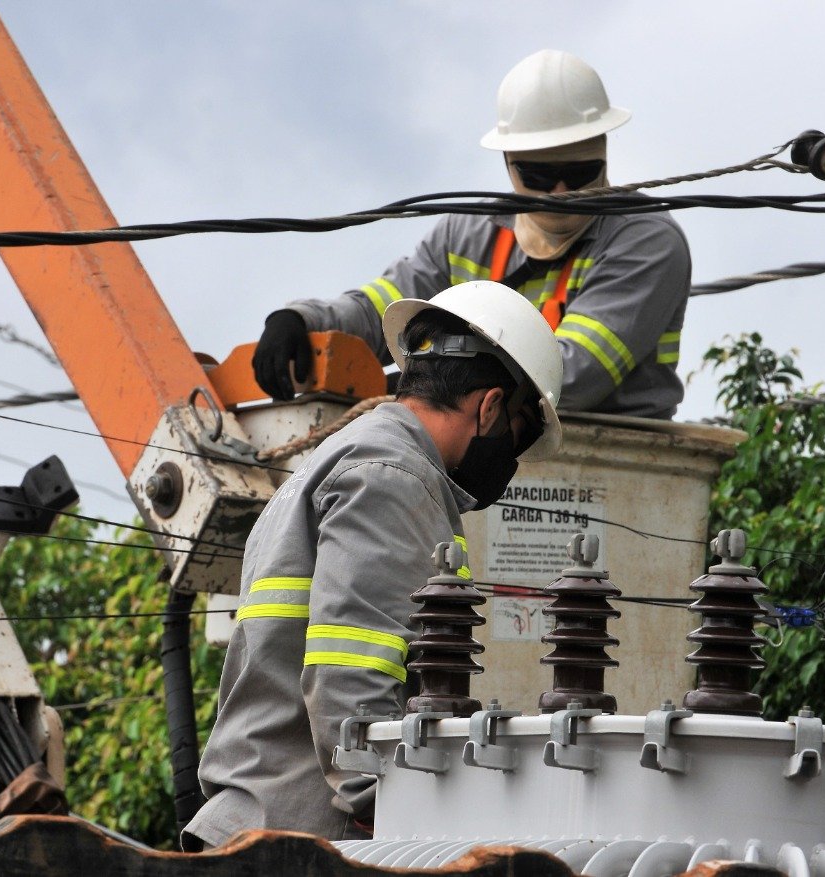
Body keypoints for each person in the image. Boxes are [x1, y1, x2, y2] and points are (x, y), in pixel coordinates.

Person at [185, 281, 563, 848]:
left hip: (257, 822)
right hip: (310, 840)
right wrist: (393, 818)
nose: (510, 461)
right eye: (517, 436)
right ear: (489, 407)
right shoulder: (394, 478)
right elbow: (352, 674)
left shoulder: (338, 459)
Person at [252, 49, 691, 420]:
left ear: (604, 153)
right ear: (508, 164)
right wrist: (302, 320)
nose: (561, 192)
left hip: (614, 457)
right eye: (539, 174)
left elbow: (565, 377)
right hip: (483, 443)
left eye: (579, 173)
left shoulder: (646, 241)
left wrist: (426, 382)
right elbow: (384, 309)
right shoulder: (466, 233)